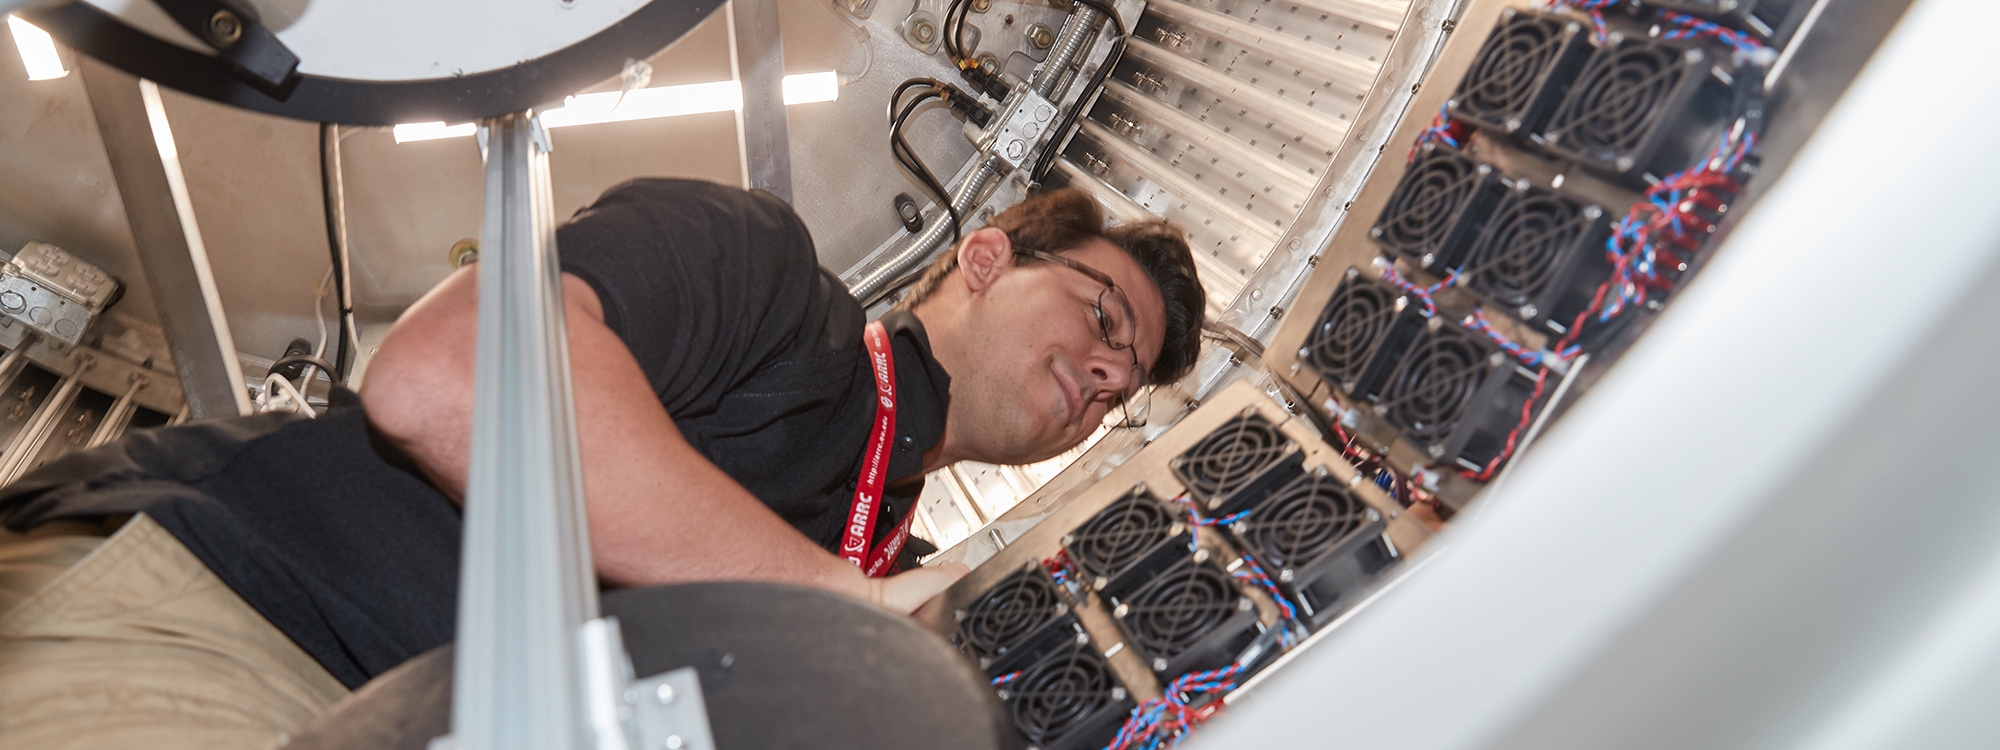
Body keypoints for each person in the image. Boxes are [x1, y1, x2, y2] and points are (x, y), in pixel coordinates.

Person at [0, 179, 1205, 748]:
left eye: (1127, 380)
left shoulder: (897, 556)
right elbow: (452, 379)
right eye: (1103, 318)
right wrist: (841, 608)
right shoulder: (770, 281)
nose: (1106, 376)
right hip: (218, 617)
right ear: (986, 259)